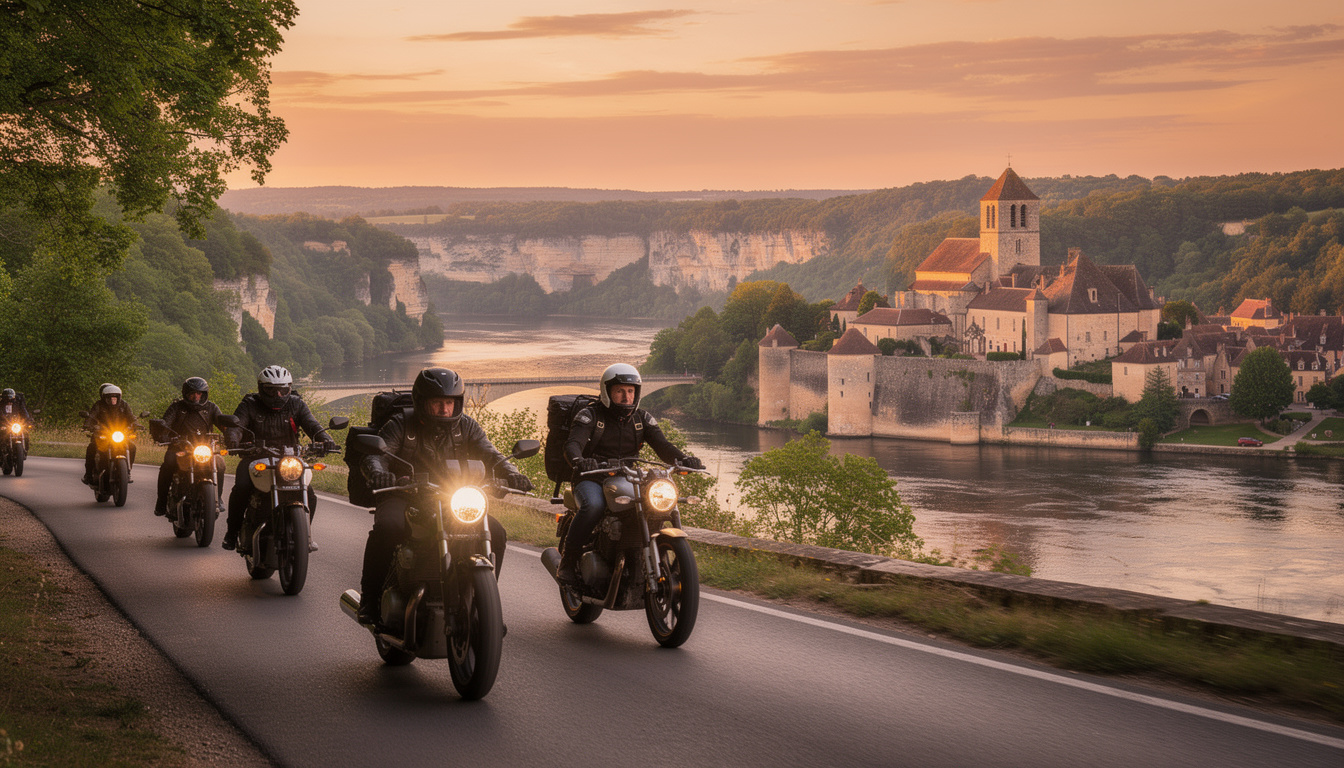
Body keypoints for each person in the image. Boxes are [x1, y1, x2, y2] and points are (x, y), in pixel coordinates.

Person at [356, 367, 532, 626]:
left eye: (449, 402)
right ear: (422, 402)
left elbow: (491, 454)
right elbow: (376, 454)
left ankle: (483, 604)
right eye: (437, 402)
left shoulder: (467, 426)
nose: (444, 409)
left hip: (452, 497)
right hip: (404, 494)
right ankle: (369, 600)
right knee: (388, 527)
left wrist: (512, 472)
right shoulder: (402, 424)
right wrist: (378, 472)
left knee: (496, 532)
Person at [556, 363, 703, 585]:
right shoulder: (590, 416)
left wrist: (683, 459)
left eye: (631, 391)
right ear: (607, 392)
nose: (626, 397)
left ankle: (642, 556)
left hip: (627, 477)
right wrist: (580, 461)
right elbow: (573, 445)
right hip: (592, 477)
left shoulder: (641, 418)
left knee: (656, 504)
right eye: (620, 391)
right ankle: (567, 562)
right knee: (593, 506)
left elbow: (663, 446)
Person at [222, 366, 337, 551]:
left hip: (289, 459)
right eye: (271, 390)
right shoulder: (250, 404)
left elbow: (312, 425)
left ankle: (304, 535)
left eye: (283, 390)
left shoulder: (296, 404)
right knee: (242, 487)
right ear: (261, 388)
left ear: (289, 388)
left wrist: (326, 440)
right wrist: (233, 440)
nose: (278, 394)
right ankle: (232, 532)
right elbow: (236, 424)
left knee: (310, 495)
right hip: (256, 457)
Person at [153, 377, 227, 517]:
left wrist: (231, 436)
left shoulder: (211, 407)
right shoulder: (177, 407)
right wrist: (163, 435)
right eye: (192, 393)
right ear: (186, 393)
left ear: (204, 394)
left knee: (220, 464)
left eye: (199, 393)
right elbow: (166, 423)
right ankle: (161, 501)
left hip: (204, 448)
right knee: (168, 463)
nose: (196, 396)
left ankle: (219, 497)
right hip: (180, 448)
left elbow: (223, 424)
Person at [83, 383, 138, 485]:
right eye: (110, 398)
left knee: (132, 447)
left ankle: (127, 472)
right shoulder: (99, 405)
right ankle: (88, 475)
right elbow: (91, 416)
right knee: (91, 448)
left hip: (119, 433)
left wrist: (136, 424)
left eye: (115, 397)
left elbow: (131, 417)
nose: (113, 400)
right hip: (102, 434)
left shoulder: (124, 405)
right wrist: (88, 425)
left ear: (119, 397)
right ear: (105, 398)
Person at [0, 388, 33, 455]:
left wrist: (28, 420)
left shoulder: (17, 403)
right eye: (8, 397)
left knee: (25, 433)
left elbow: (24, 412)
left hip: (15, 424)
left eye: (11, 397)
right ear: (4, 398)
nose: (10, 399)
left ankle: (25, 450)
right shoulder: (1, 404)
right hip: (3, 424)